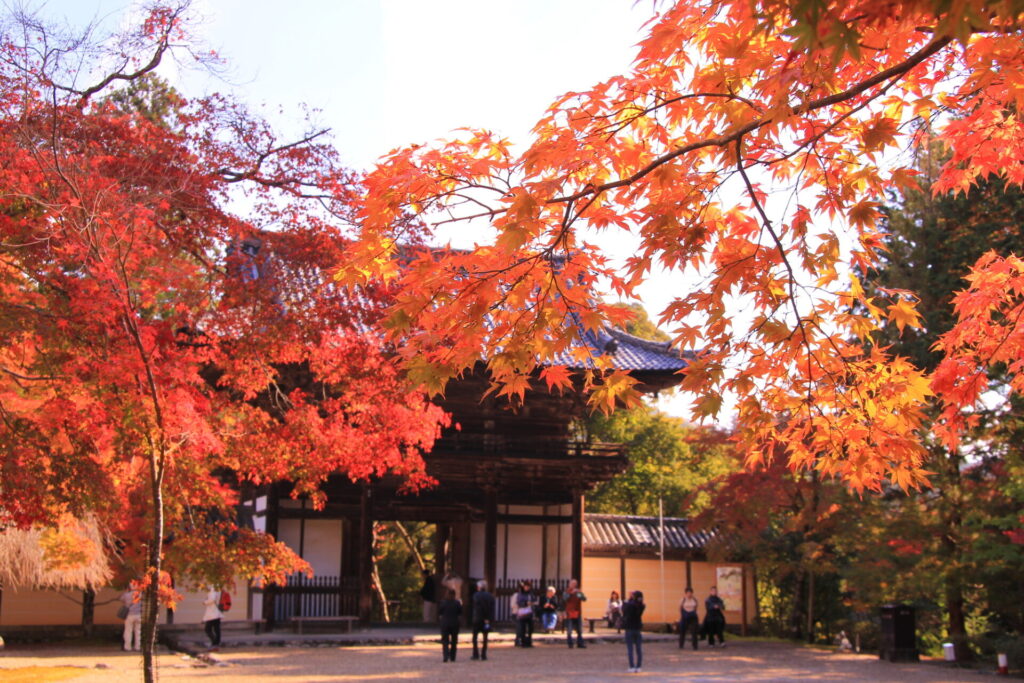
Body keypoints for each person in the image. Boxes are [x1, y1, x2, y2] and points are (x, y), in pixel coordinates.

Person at [471, 580, 495, 661]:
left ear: (479, 587)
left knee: (475, 637)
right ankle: (484, 654)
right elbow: (492, 608)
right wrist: (489, 618)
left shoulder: (476, 595)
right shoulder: (490, 596)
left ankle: (475, 654)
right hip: (486, 619)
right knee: (485, 637)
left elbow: (476, 606)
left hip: (477, 618)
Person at [623, 590, 646, 673]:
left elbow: (624, 610)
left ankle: (632, 666)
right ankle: (639, 666)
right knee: (639, 648)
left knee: (630, 649)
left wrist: (629, 599)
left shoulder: (630, 605)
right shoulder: (642, 606)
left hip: (629, 628)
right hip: (637, 628)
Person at [438, 588, 462, 663]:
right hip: (454, 623)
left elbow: (440, 613)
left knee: (445, 641)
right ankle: (453, 656)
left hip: (445, 623)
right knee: (454, 641)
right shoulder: (457, 603)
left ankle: (445, 656)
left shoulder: (443, 603)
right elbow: (460, 613)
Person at [563, 579, 587, 648]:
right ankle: (570, 643)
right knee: (569, 629)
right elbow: (565, 599)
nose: (574, 585)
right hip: (569, 612)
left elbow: (584, 599)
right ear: (569, 584)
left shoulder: (578, 592)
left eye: (575, 584)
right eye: (572, 584)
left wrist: (580, 594)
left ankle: (580, 643)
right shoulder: (566, 591)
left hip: (577, 611)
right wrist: (571, 593)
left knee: (579, 629)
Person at [513, 581, 536, 647]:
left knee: (530, 628)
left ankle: (529, 641)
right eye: (526, 586)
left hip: (530, 612)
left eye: (528, 586)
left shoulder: (531, 594)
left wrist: (532, 603)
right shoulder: (520, 594)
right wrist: (526, 603)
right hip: (522, 612)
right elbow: (519, 603)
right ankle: (523, 642)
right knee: (522, 628)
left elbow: (534, 600)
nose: (527, 587)